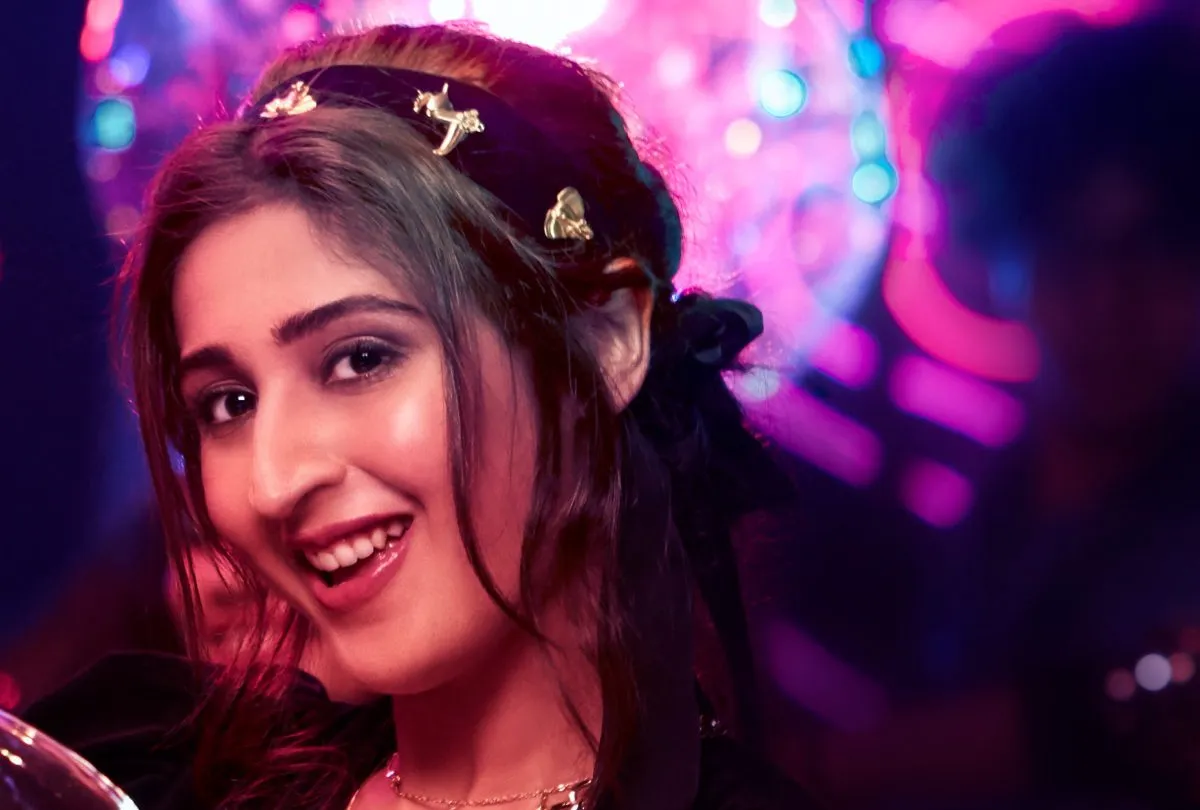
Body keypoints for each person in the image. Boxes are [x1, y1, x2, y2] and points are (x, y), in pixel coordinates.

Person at [23, 23, 813, 810]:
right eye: (229, 403)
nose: (273, 482)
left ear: (605, 342)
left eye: (361, 359)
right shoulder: (136, 779)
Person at [802, 12, 1200, 809]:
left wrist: (816, 773)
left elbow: (1122, 710)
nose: (1111, 304)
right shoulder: (1000, 494)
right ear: (1003, 257)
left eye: (1155, 253)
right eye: (1071, 252)